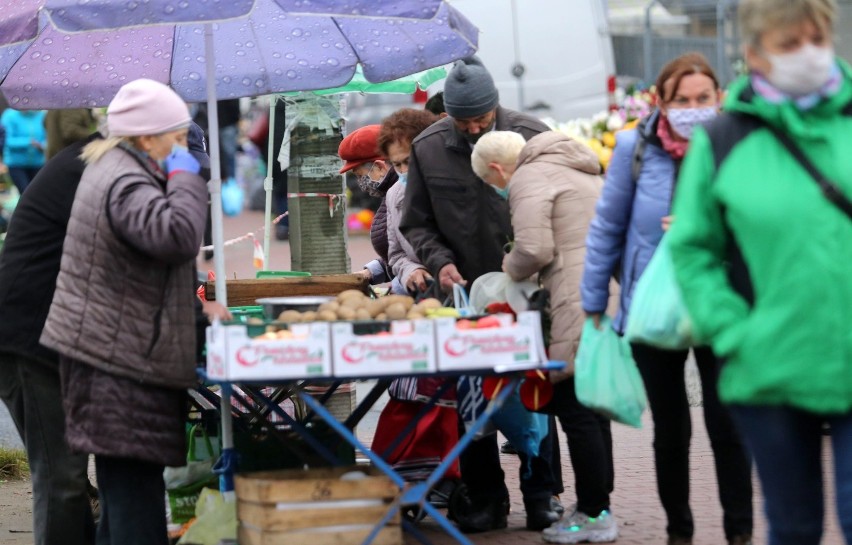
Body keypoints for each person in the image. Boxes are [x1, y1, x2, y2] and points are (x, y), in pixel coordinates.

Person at [667, 1, 852, 543]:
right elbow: (693, 249)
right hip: (769, 365)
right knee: (792, 526)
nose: (808, 55)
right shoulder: (724, 141)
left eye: (816, 39)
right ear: (754, 55)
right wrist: (731, 329)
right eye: (789, 44)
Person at [581, 53, 754, 545]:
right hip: (651, 306)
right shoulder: (635, 147)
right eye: (682, 99)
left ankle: (738, 532)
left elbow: (762, 224)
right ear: (661, 101)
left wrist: (706, 230)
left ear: (718, 99)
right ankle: (680, 530)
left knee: (728, 426)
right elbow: (607, 227)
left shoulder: (735, 145)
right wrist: (594, 302)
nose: (693, 108)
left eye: (703, 98)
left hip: (720, 303)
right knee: (671, 430)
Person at [38, 78, 208, 545]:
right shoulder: (125, 178)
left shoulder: (111, 166)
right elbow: (176, 235)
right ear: (147, 138)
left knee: (124, 497)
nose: (181, 148)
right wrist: (185, 175)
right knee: (135, 502)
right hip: (118, 365)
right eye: (176, 139)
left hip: (112, 358)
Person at [399, 55, 563, 533]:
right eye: (464, 120)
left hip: (529, 289)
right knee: (472, 394)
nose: (473, 128)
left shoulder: (531, 135)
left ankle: (542, 494)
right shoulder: (428, 148)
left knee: (534, 390)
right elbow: (417, 221)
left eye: (482, 118)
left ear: (495, 106)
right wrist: (439, 263)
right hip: (464, 290)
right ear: (447, 112)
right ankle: (487, 498)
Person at [472, 130, 618, 543]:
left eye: (493, 184)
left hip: (569, 296)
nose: (499, 191)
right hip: (601, 290)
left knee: (575, 408)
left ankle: (593, 513)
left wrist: (508, 266)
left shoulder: (528, 178)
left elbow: (534, 249)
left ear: (498, 170)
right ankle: (599, 506)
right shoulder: (575, 165)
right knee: (595, 407)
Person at [339, 124, 404, 294]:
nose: (360, 183)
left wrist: (399, 287)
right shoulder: (389, 192)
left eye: (360, 175)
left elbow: (415, 253)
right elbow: (397, 252)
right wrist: (371, 272)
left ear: (380, 166)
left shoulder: (402, 194)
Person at [0, 108, 47, 195]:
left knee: (38, 194)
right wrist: (28, 142)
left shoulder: (42, 115)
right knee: (26, 193)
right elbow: (6, 141)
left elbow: (47, 137)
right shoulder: (9, 116)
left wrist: (43, 146)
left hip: (38, 163)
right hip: (16, 164)